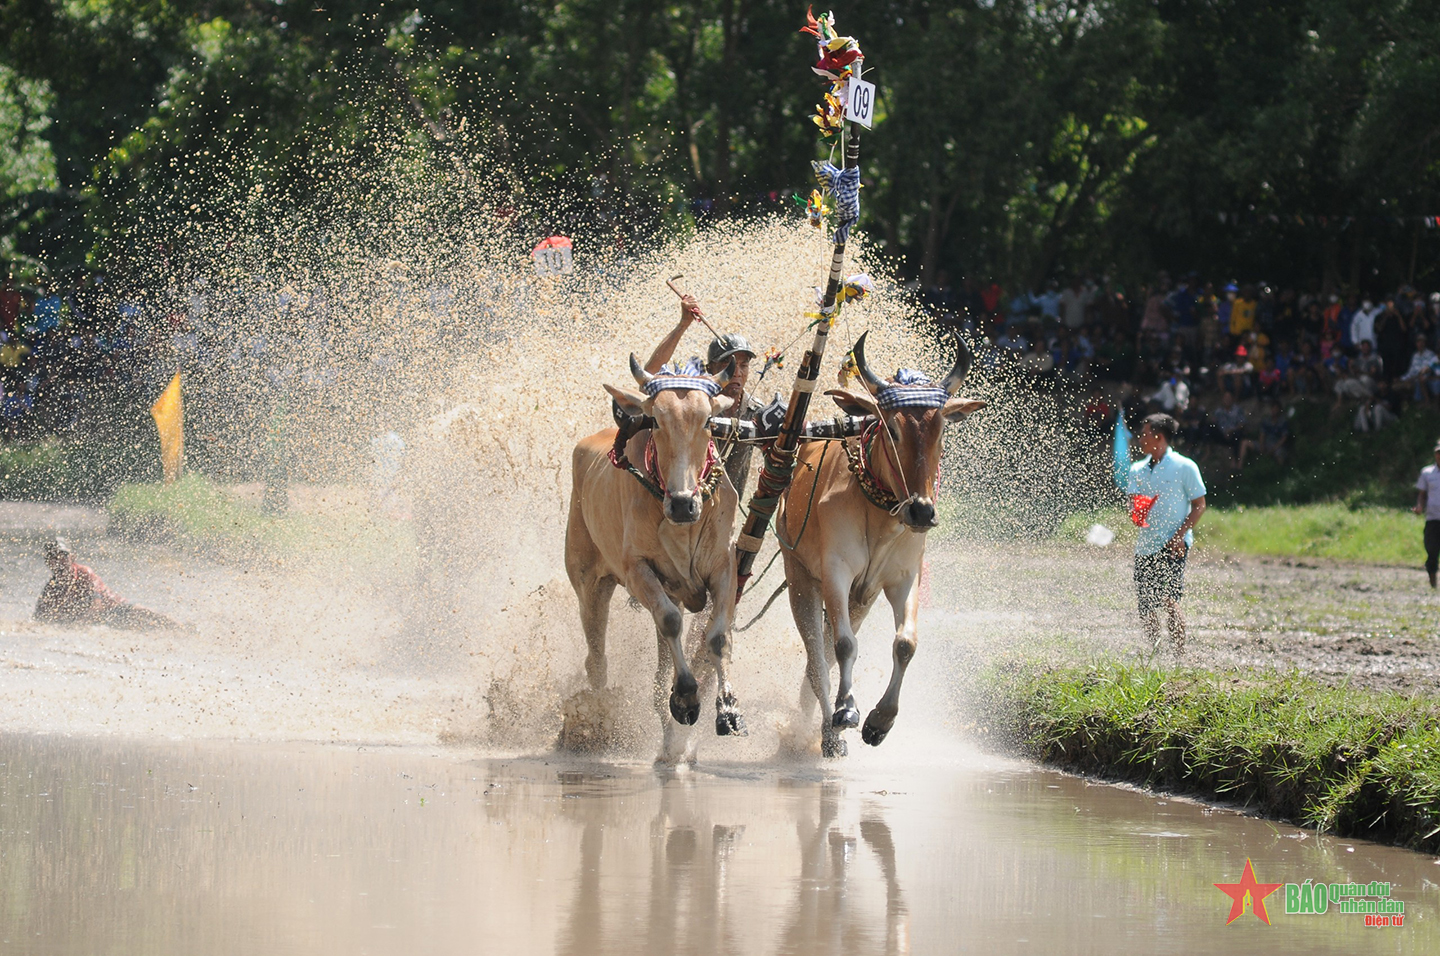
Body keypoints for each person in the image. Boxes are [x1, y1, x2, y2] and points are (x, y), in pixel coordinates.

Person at [637, 294, 769, 498]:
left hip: (726, 513)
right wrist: (683, 324)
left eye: (744, 365)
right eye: (728, 365)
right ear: (711, 369)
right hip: (685, 501)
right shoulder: (691, 405)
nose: (737, 372)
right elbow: (650, 375)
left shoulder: (757, 412)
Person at [1127, 413, 1207, 655]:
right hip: (1146, 545)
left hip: (1174, 544)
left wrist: (1180, 534)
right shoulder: (1137, 469)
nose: (1140, 439)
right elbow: (1134, 507)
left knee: (1169, 600)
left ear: (1159, 437)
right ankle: (1156, 653)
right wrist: (1137, 511)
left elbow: (1199, 505)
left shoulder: (1185, 466)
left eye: (1145, 434)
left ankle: (1179, 655)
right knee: (1146, 605)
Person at [35, 539, 182, 630]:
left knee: (142, 612)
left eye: (63, 556)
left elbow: (97, 603)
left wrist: (79, 623)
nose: (58, 561)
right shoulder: (51, 587)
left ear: (72, 557)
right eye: (53, 557)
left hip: (113, 609)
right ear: (48, 562)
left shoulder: (84, 573)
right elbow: (39, 618)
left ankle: (179, 625)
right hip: (96, 622)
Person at [1414, 441, 1440, 589]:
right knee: (1431, 550)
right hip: (1433, 518)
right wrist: (1419, 506)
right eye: (1438, 453)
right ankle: (1433, 584)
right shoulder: (1427, 473)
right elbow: (1422, 494)